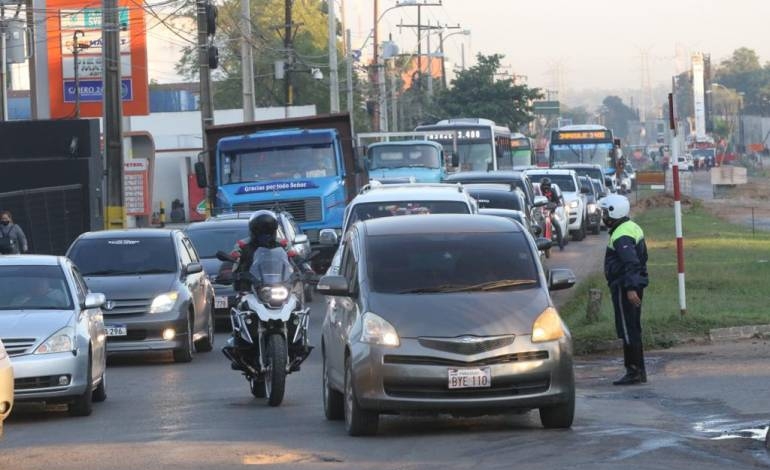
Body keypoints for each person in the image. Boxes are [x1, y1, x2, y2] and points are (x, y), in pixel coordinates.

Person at [600, 194, 649, 386]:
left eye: (605, 212)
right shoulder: (629, 226)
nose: (603, 216)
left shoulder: (622, 235)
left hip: (624, 286)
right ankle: (639, 370)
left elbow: (632, 262)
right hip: (629, 285)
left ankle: (634, 371)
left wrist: (630, 288)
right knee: (632, 328)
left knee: (628, 329)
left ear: (614, 212)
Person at [232, 210, 280, 292]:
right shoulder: (242, 245)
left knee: (296, 301)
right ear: (253, 231)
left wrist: (306, 270)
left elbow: (295, 258)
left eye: (268, 231)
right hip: (249, 288)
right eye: (260, 232)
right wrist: (227, 271)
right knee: (242, 301)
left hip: (279, 286)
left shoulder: (282, 244)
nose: (264, 235)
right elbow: (232, 260)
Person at [539, 178, 565, 251]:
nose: (546, 188)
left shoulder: (553, 191)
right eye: (544, 186)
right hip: (540, 213)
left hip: (550, 213)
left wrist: (555, 205)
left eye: (547, 186)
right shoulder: (539, 192)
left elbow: (558, 202)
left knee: (557, 225)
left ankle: (561, 245)